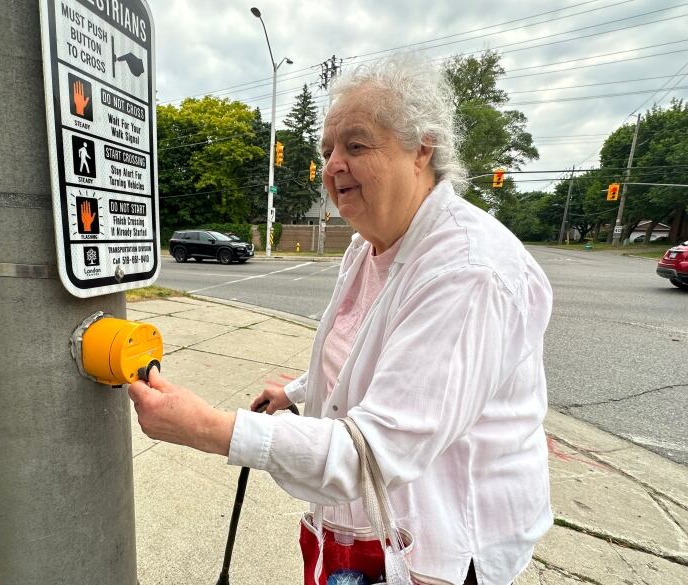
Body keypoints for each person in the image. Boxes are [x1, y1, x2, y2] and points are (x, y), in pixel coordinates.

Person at [128, 53, 553, 585]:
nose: (332, 165)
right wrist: (299, 391)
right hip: (364, 529)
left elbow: (374, 454)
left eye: (356, 145)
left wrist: (211, 429)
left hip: (437, 544)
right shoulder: (367, 245)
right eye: (328, 149)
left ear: (422, 148)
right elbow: (365, 354)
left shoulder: (468, 272)